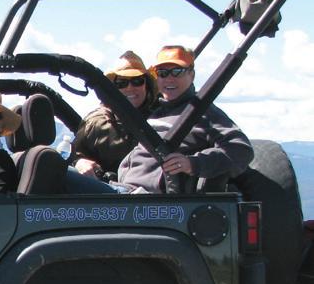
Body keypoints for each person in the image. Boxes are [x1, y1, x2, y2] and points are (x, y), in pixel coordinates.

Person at [117, 45, 253, 193]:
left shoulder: (202, 112)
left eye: (177, 71)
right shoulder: (158, 111)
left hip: (146, 197)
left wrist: (193, 163)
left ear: (192, 75)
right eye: (162, 73)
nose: (169, 79)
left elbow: (241, 150)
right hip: (124, 190)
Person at [71, 50, 156, 180]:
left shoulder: (162, 118)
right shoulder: (95, 122)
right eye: (122, 83)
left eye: (137, 81)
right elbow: (73, 156)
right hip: (108, 191)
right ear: (113, 88)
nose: (130, 88)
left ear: (147, 85)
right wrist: (80, 163)